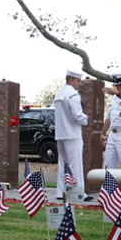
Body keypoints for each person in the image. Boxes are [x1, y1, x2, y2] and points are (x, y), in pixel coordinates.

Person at [53, 69, 88, 200]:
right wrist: (86, 119)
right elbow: (77, 115)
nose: (80, 84)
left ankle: (60, 192)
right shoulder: (73, 95)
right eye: (78, 81)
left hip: (61, 133)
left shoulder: (59, 94)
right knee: (75, 165)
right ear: (70, 80)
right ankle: (78, 193)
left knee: (63, 164)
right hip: (72, 134)